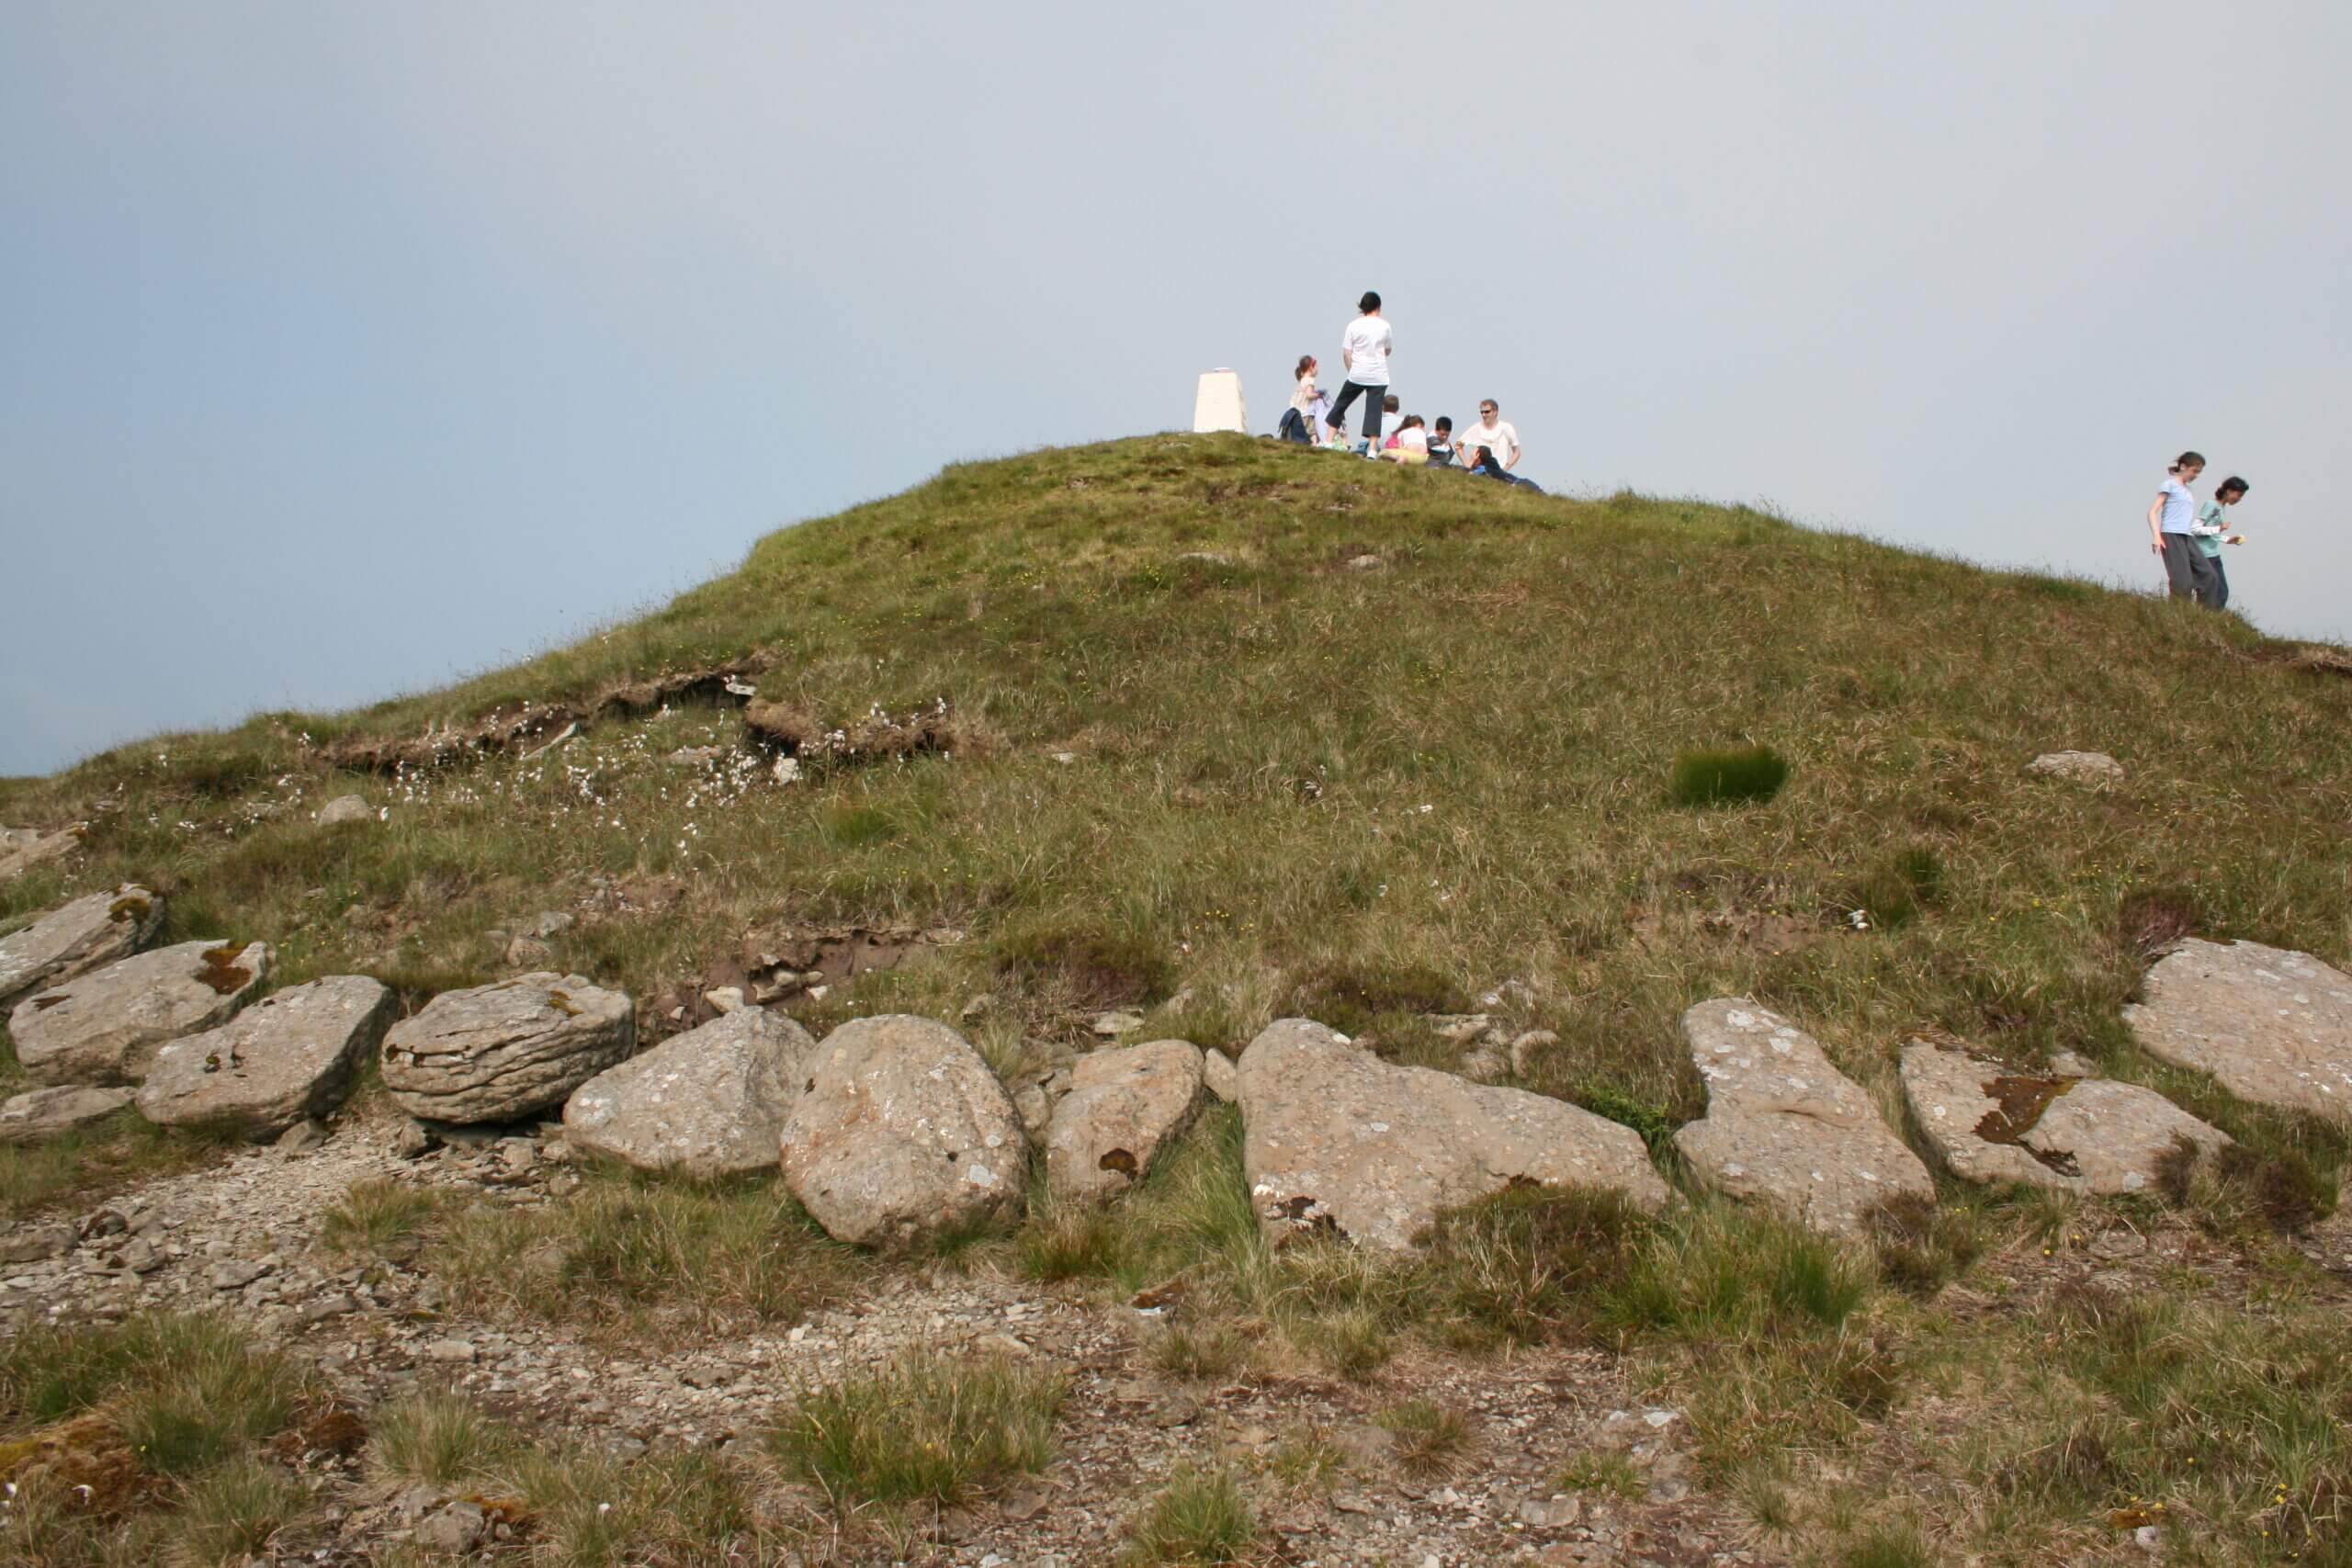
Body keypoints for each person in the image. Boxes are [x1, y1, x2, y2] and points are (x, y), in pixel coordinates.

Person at [1324, 291, 1394, 449]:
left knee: (1341, 404)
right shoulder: (1385, 326)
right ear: (1378, 307)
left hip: (1357, 372)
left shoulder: (1353, 325)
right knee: (1374, 412)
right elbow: (1388, 350)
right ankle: (1371, 450)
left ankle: (1328, 441)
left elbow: (1347, 353)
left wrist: (1351, 369)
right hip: (1378, 375)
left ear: (1362, 307)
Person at [2148, 451, 2218, 604]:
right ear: (2183, 466)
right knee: (2183, 583)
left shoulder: (2188, 490)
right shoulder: (2169, 485)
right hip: (2171, 535)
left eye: (2199, 472)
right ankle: (2177, 615)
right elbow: (2152, 512)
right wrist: (2156, 536)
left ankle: (2205, 616)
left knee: (2209, 576)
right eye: (2194, 471)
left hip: (2187, 536)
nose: (2196, 475)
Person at [2194, 475, 2252, 609]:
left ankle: (2208, 620)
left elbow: (2212, 534)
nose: (2239, 499)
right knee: (2216, 592)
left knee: (2221, 593)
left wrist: (2228, 539)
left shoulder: (2221, 508)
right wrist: (2219, 528)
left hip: (2213, 555)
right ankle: (2206, 620)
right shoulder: (2211, 505)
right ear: (2228, 491)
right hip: (2204, 556)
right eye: (2239, 495)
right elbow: (2195, 529)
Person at [1278, 355, 1318, 443]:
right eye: (1316, 367)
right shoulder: (1310, 380)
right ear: (1311, 367)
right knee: (1312, 433)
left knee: (1300, 434)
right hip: (1306, 413)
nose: (1317, 370)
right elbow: (1309, 395)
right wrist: (1319, 395)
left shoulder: (1301, 381)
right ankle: (1315, 447)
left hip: (1297, 414)